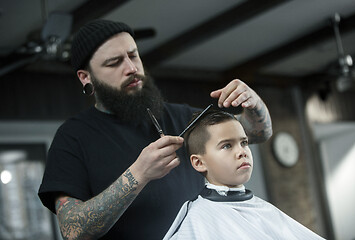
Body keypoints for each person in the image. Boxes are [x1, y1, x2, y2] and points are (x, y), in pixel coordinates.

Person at [38, 19, 272, 240]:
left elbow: (257, 133)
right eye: (114, 62)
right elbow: (72, 230)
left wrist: (254, 104)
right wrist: (139, 174)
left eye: (133, 55)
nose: (131, 68)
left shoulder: (180, 117)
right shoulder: (73, 137)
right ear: (85, 77)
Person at [163, 109, 325, 240]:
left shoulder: (264, 210)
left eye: (244, 143)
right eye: (227, 146)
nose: (242, 152)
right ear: (199, 163)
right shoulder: (199, 220)